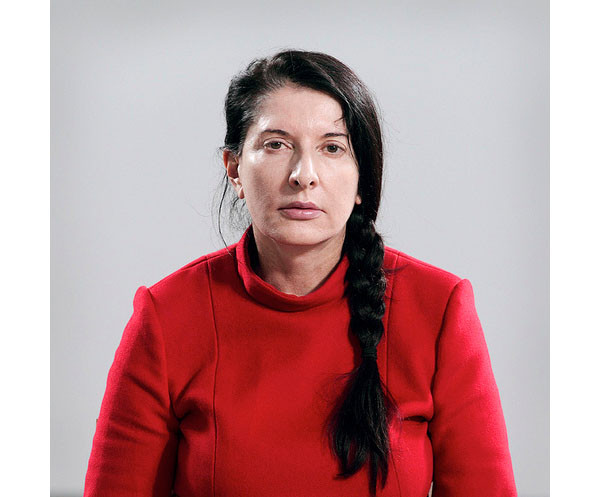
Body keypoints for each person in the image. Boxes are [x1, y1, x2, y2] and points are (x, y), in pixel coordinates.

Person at [83, 49, 517, 497]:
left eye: (332, 148)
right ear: (234, 169)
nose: (303, 175)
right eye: (277, 144)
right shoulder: (167, 316)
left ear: (362, 178)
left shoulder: (438, 309)